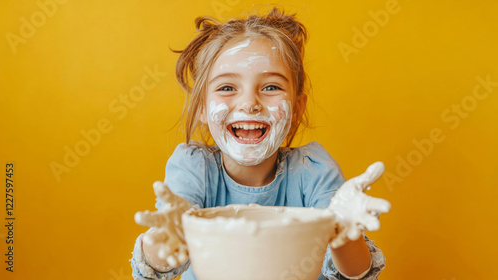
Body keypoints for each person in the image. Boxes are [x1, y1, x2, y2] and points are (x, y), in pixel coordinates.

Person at [130, 7, 391, 280]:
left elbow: (356, 273)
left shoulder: (313, 171)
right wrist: (165, 239)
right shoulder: (195, 169)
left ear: (297, 109)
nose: (249, 104)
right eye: (227, 87)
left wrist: (343, 232)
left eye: (270, 87)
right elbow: (157, 265)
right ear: (202, 108)